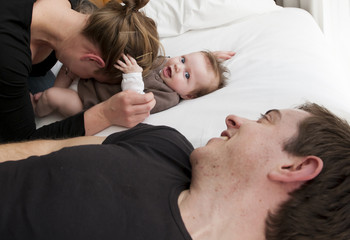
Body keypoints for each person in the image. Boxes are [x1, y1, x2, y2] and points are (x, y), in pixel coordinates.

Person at [1, 102, 349, 239]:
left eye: (265, 120)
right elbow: (45, 149)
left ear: (295, 166)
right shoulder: (164, 144)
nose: (233, 118)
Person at [0, 0, 162, 143]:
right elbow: (22, 143)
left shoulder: (73, 7)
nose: (82, 78)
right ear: (93, 59)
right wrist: (105, 114)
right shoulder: (9, 58)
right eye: (91, 76)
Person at [32, 51, 234, 117]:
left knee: (52, 97)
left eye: (188, 75)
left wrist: (133, 76)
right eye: (183, 60)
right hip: (90, 78)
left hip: (88, 100)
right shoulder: (165, 63)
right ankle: (51, 90)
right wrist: (211, 57)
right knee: (69, 64)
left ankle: (35, 108)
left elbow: (135, 101)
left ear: (188, 96)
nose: (179, 67)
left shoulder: (168, 96)